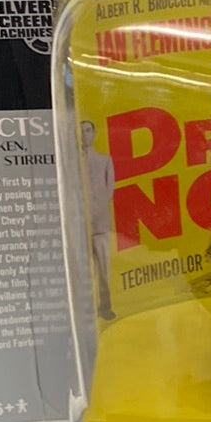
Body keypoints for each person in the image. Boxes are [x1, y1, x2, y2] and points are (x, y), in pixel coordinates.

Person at [80, 120, 115, 321]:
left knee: (103, 267)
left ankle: (105, 306)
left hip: (100, 223)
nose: (84, 134)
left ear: (94, 133)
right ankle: (87, 311)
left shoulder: (104, 160)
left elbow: (109, 190)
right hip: (80, 223)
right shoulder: (73, 163)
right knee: (84, 268)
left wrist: (97, 207)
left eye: (87, 130)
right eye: (81, 131)